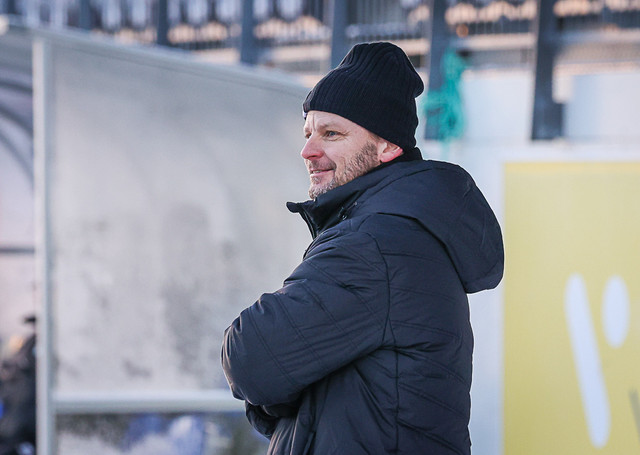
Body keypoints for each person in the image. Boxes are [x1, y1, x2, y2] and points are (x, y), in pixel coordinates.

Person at [221, 42, 504, 455]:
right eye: (308, 133)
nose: (308, 151)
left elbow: (251, 358)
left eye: (331, 133)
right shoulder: (396, 231)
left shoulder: (377, 243)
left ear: (388, 146)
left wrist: (282, 393)